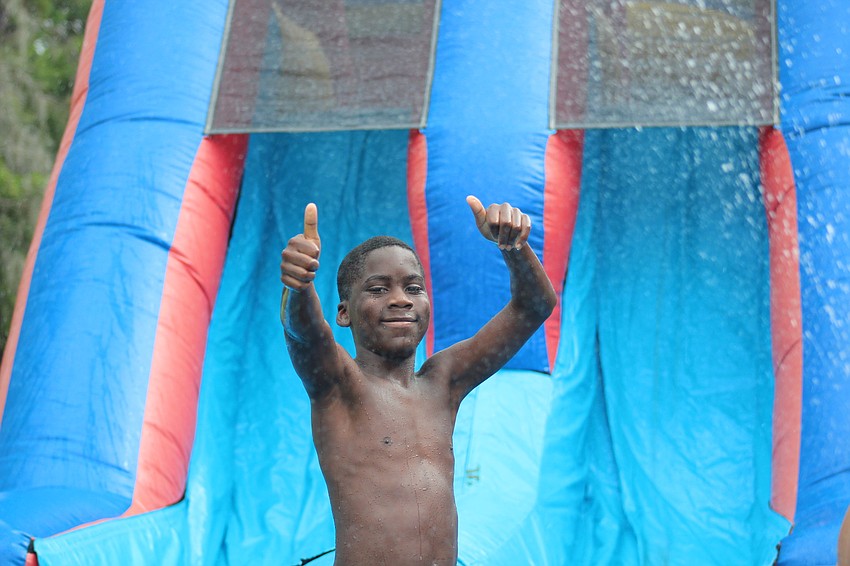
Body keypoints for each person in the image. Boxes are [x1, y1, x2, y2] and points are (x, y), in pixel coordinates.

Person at [279, 196, 557, 566]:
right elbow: (304, 331)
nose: (400, 300)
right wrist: (297, 287)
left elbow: (534, 305)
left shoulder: (443, 383)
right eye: (378, 289)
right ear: (343, 313)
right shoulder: (338, 385)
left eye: (413, 288)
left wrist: (514, 246)